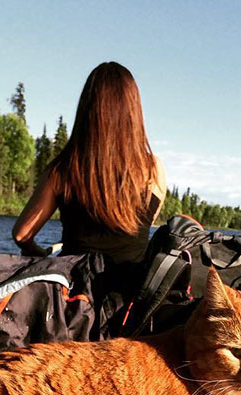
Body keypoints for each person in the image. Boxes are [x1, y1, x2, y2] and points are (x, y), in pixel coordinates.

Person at [12, 62, 166, 267]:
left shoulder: (63, 169)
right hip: (130, 294)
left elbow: (22, 235)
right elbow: (147, 221)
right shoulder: (153, 169)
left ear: (87, 109)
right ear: (134, 111)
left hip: (76, 293)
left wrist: (42, 258)